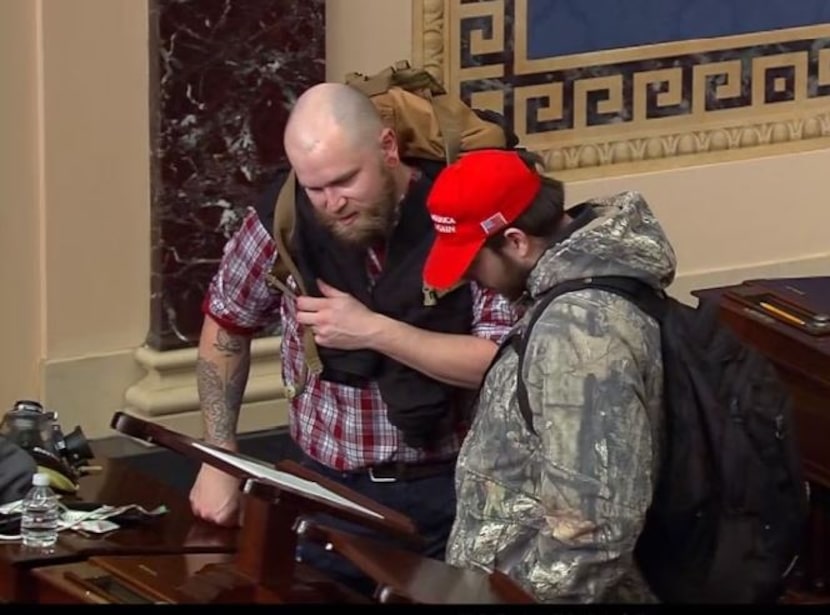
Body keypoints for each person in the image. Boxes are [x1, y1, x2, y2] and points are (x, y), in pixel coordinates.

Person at [188, 82, 518, 596]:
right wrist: (219, 456)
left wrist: (372, 330)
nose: (332, 203)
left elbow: (502, 362)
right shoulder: (286, 217)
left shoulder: (459, 210)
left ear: (387, 148)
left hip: (456, 489)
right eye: (315, 187)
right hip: (327, 490)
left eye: (346, 181)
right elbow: (227, 324)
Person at [422, 149, 676, 602]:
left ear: (517, 242)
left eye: (473, 262)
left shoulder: (579, 332)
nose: (470, 280)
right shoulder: (561, 299)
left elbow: (593, 531)